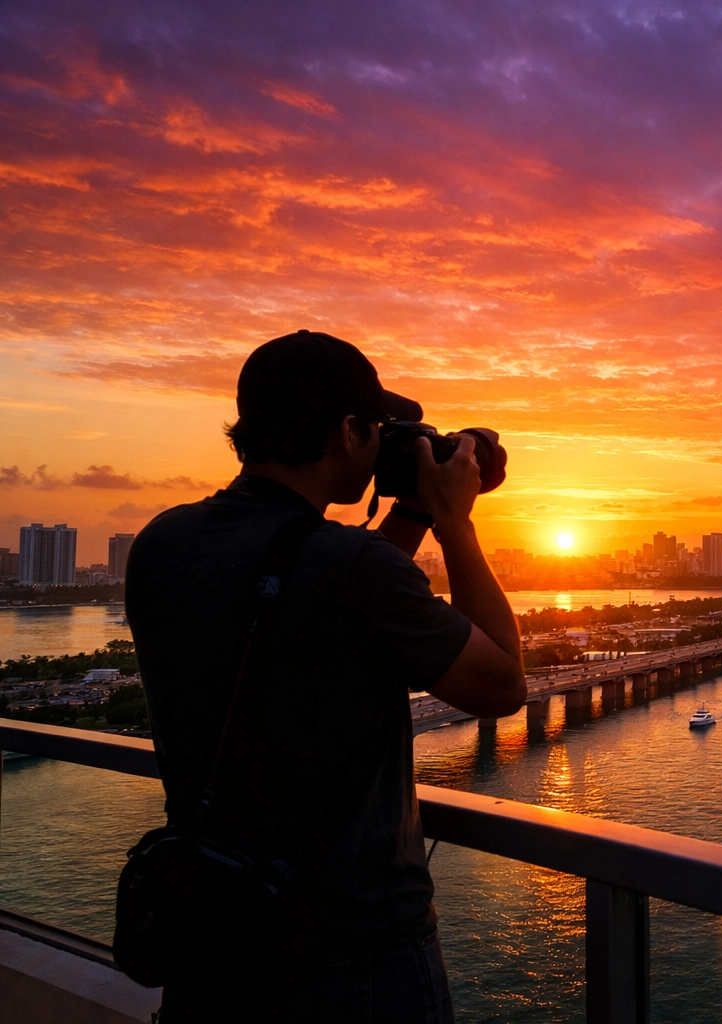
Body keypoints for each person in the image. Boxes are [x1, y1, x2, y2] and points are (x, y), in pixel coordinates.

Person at [126, 330, 526, 1023]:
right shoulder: (350, 570)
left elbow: (316, 602)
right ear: (347, 432)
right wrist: (455, 524)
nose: (383, 446)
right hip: (355, 959)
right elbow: (502, 686)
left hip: (214, 937)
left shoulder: (164, 542)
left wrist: (411, 513)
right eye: (379, 431)